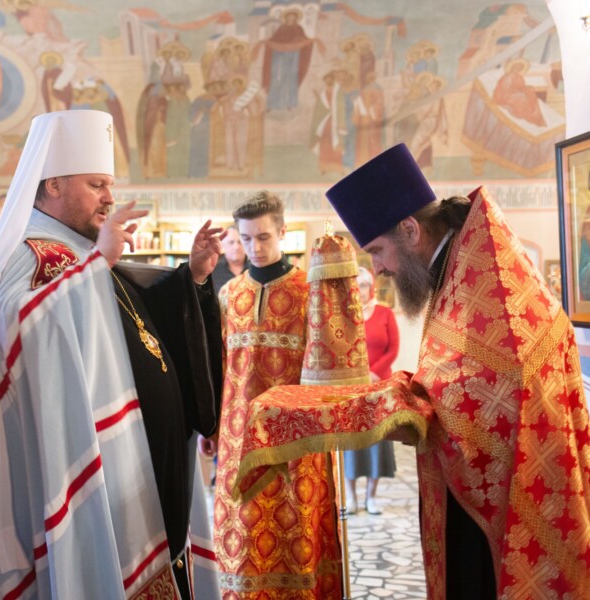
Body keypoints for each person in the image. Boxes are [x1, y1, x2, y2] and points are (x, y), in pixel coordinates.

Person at [0, 109, 224, 599]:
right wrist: (96, 265)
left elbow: (138, 314)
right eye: (96, 184)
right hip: (93, 474)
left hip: (147, 467)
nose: (109, 197)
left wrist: (190, 277)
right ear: (53, 186)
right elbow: (17, 327)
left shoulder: (82, 253)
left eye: (109, 185)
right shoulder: (30, 252)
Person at [325, 143, 590, 599]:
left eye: (377, 251)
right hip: (478, 488)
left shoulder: (488, 277)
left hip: (510, 497)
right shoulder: (462, 265)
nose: (378, 268)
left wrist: (406, 403)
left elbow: (499, 378)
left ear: (410, 230)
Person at [208, 191, 342, 598]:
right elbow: (221, 366)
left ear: (282, 232)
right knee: (242, 537)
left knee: (297, 536)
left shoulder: (309, 291)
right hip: (239, 440)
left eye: (264, 237)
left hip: (295, 442)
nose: (255, 248)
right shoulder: (229, 295)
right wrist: (210, 424)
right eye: (246, 239)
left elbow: (327, 368)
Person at [343, 267, 398, 515]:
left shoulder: (385, 313)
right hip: (352, 387)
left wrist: (374, 373)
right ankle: (351, 496)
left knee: (377, 441)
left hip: (379, 387)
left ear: (371, 287)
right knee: (351, 442)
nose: (359, 290)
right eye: (354, 286)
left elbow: (393, 349)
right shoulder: (343, 316)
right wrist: (356, 376)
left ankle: (371, 496)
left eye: (363, 285)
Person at [210, 224, 248, 292]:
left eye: (240, 242)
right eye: (231, 242)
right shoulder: (213, 272)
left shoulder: (256, 269)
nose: (236, 247)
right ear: (223, 245)